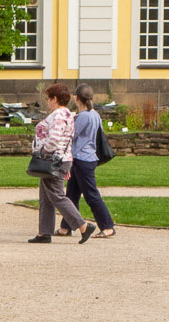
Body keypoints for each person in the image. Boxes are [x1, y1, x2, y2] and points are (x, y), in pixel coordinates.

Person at [28, 82, 93, 245]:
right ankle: (44, 232)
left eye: (49, 98)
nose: (48, 101)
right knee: (46, 197)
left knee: (56, 195)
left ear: (54, 99)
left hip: (53, 160)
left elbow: (54, 139)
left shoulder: (58, 116)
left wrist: (43, 153)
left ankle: (83, 225)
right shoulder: (67, 115)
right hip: (61, 159)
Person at [61, 82, 116, 238]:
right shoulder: (95, 115)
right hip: (88, 157)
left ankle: (107, 226)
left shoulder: (84, 116)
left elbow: (71, 135)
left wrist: (70, 120)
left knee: (91, 195)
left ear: (76, 98)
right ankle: (66, 227)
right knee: (71, 195)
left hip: (81, 160)